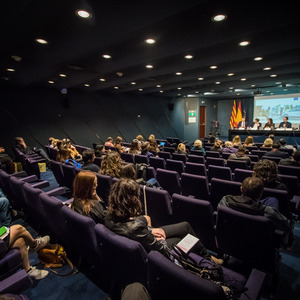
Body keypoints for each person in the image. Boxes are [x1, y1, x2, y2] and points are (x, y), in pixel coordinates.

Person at [105, 179, 223, 264]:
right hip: (161, 251)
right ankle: (208, 260)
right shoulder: (136, 228)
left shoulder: (109, 215)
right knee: (191, 239)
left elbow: (132, 228)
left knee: (185, 226)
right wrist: (157, 238)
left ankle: (207, 256)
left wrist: (150, 231)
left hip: (144, 236)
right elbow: (162, 251)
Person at [218, 177, 289, 233]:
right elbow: (286, 226)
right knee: (273, 200)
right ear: (261, 194)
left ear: (241, 188)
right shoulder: (268, 212)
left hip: (231, 238)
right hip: (256, 245)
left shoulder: (225, 200)